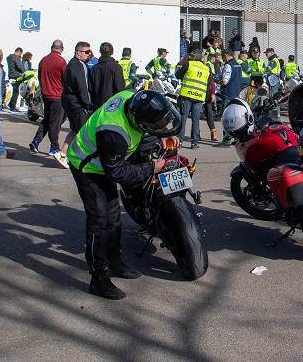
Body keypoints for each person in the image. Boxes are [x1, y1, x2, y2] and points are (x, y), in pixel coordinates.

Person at [66, 89, 182, 299]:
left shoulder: (133, 97)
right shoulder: (114, 132)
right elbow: (117, 172)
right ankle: (98, 278)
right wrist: (150, 168)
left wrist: (165, 133)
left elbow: (152, 115)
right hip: (87, 166)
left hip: (105, 161)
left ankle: (115, 262)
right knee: (99, 221)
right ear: (140, 123)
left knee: (114, 217)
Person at [59, 42, 94, 167]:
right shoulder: (79, 66)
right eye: (87, 52)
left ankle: (62, 153)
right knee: (84, 132)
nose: (89, 54)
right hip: (77, 103)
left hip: (69, 100)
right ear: (78, 53)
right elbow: (82, 87)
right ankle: (78, 160)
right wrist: (88, 105)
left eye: (90, 52)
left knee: (74, 129)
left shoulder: (71, 64)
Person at [31, 40, 67, 162]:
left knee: (47, 119)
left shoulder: (43, 60)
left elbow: (40, 77)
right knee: (55, 122)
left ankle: (36, 141)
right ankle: (54, 147)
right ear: (61, 48)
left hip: (46, 94)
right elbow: (65, 79)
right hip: (57, 95)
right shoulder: (61, 61)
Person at [175, 50, 213, 149]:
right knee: (195, 120)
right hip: (199, 97)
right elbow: (209, 86)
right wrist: (207, 98)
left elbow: (178, 75)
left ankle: (180, 141)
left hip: (186, 95)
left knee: (183, 118)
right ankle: (194, 143)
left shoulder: (188, 64)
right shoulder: (206, 68)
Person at [90, 42, 126, 109]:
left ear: (100, 51)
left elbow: (90, 88)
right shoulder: (116, 67)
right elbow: (119, 88)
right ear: (112, 52)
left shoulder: (94, 68)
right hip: (111, 106)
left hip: (96, 105)